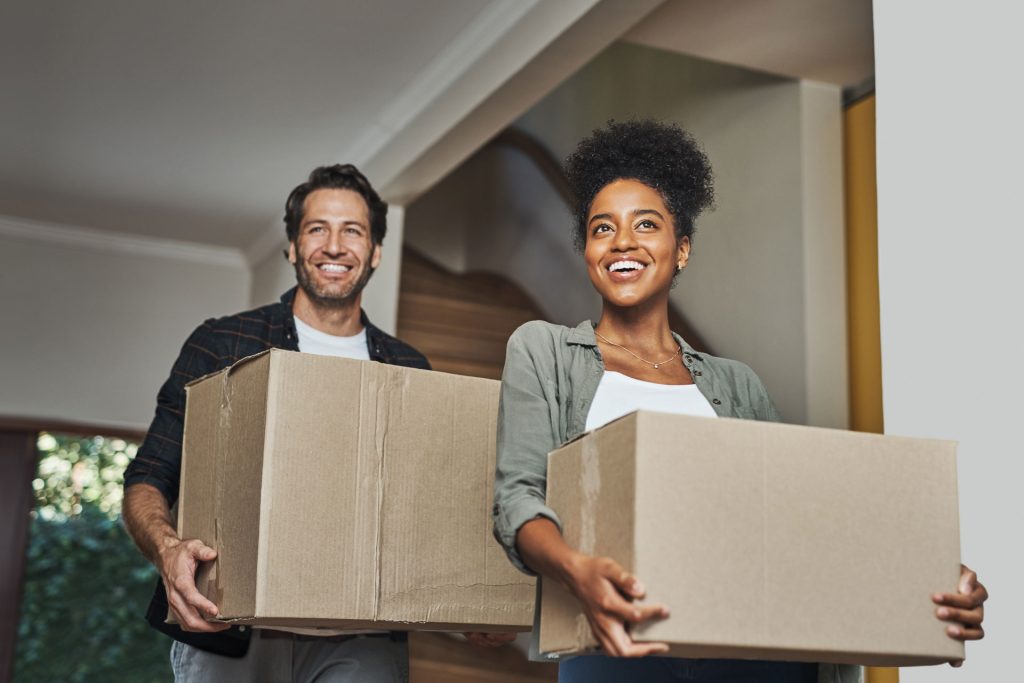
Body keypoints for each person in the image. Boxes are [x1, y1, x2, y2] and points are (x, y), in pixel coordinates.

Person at [491, 120, 988, 682]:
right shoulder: (545, 351)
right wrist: (577, 572)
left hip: (754, 657)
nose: (622, 242)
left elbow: (797, 521)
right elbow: (517, 499)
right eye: (602, 228)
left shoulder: (737, 384)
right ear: (586, 249)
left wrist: (927, 582)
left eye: (646, 225)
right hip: (618, 650)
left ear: (680, 250)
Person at [123, 164, 511, 682]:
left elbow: (428, 512)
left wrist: (469, 603)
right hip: (231, 629)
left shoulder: (407, 368)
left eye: (352, 230)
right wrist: (168, 550)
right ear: (291, 246)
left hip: (364, 639)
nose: (334, 246)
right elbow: (147, 477)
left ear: (374, 252)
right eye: (316, 229)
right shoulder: (221, 344)